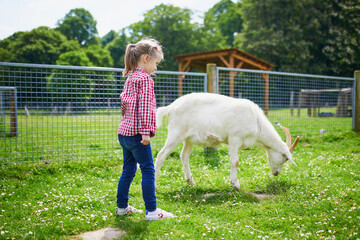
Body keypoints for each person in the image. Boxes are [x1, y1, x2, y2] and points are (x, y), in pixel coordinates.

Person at [116, 38, 174, 221]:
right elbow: (145, 108)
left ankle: (122, 208)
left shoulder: (131, 77)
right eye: (156, 63)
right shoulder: (145, 80)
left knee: (128, 171)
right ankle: (152, 211)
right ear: (146, 58)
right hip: (137, 135)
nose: (156, 68)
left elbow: (125, 106)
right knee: (148, 170)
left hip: (124, 133)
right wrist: (145, 132)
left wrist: (129, 125)